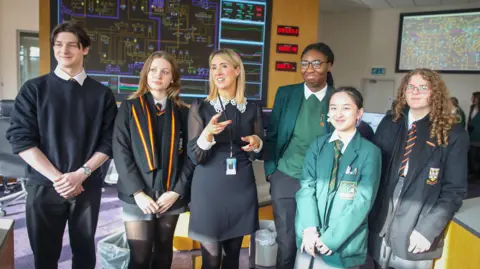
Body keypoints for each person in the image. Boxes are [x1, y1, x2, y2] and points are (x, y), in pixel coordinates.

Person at [6, 22, 118, 269]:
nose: (63, 50)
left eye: (71, 45)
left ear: (85, 49)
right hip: (44, 186)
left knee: (84, 254)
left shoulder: (102, 94)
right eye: (58, 45)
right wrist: (59, 178)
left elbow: (109, 141)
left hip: (85, 186)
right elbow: (21, 138)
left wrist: (80, 175)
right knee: (44, 256)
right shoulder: (33, 90)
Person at [369, 68, 469, 269]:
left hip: (417, 227)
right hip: (381, 221)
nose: (415, 92)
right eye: (411, 87)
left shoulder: (452, 134)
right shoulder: (390, 123)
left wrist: (428, 230)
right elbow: (373, 170)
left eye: (423, 87)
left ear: (435, 93)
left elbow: (454, 191)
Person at [113, 51, 194, 269]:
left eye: (165, 71)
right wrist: (138, 193)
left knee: (163, 250)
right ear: (146, 74)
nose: (158, 75)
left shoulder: (184, 113)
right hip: (137, 195)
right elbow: (121, 152)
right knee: (139, 257)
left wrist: (176, 192)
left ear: (173, 78)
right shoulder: (129, 108)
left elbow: (190, 156)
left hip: (171, 194)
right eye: (153, 70)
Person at [187, 48, 264, 269]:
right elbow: (196, 156)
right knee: (211, 260)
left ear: (237, 70)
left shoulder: (251, 108)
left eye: (223, 66)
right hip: (208, 188)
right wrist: (207, 134)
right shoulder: (200, 108)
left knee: (232, 259)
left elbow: (260, 150)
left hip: (240, 186)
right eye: (213, 68)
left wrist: (256, 143)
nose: (217, 72)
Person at [264, 42, 335, 269]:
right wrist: (271, 173)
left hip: (321, 181)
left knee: (315, 240)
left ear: (329, 65)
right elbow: (273, 136)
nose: (309, 68)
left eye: (316, 63)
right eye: (304, 63)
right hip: (286, 175)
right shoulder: (287, 94)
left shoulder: (338, 98)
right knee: (285, 241)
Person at [295, 87, 381, 269]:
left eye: (346, 108)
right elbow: (306, 188)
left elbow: (362, 201)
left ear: (359, 113)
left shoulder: (370, 152)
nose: (338, 114)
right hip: (310, 237)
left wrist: (331, 239)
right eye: (333, 108)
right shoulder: (318, 145)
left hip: (344, 242)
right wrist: (310, 228)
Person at [467, 92, 480, 180]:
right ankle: (473, 172)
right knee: (471, 155)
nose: (472, 99)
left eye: (473, 97)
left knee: (477, 155)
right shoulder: (472, 107)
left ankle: (477, 174)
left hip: (478, 135)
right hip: (471, 133)